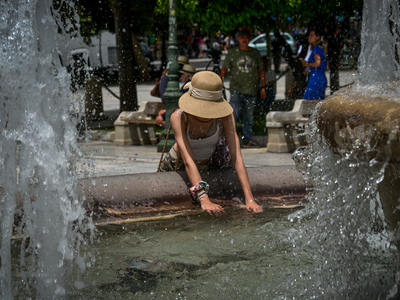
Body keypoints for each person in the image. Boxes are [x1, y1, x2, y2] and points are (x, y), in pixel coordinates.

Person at [159, 71, 263, 215]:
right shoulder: (179, 117)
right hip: (177, 166)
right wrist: (204, 198)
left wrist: (250, 199)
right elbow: (188, 160)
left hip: (206, 165)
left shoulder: (225, 116)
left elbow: (237, 157)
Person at [220, 28, 266, 147]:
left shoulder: (255, 53)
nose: (244, 39)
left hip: (251, 90)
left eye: (246, 37)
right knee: (232, 116)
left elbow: (261, 71)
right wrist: (220, 80)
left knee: (248, 117)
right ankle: (231, 140)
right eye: (242, 37)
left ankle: (247, 140)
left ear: (249, 39)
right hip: (236, 89)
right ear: (238, 39)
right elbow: (224, 68)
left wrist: (263, 87)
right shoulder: (233, 53)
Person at [156, 56, 189, 127]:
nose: (181, 75)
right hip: (173, 106)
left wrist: (164, 114)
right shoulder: (171, 78)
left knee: (161, 119)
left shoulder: (187, 86)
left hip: (175, 108)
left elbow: (180, 104)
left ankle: (169, 128)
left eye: (182, 73)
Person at [301, 29, 328, 100]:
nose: (309, 37)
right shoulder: (322, 48)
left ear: (317, 37)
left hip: (315, 78)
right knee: (317, 101)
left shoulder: (316, 48)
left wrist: (306, 64)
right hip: (321, 77)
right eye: (309, 35)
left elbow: (318, 63)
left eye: (312, 35)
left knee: (307, 100)